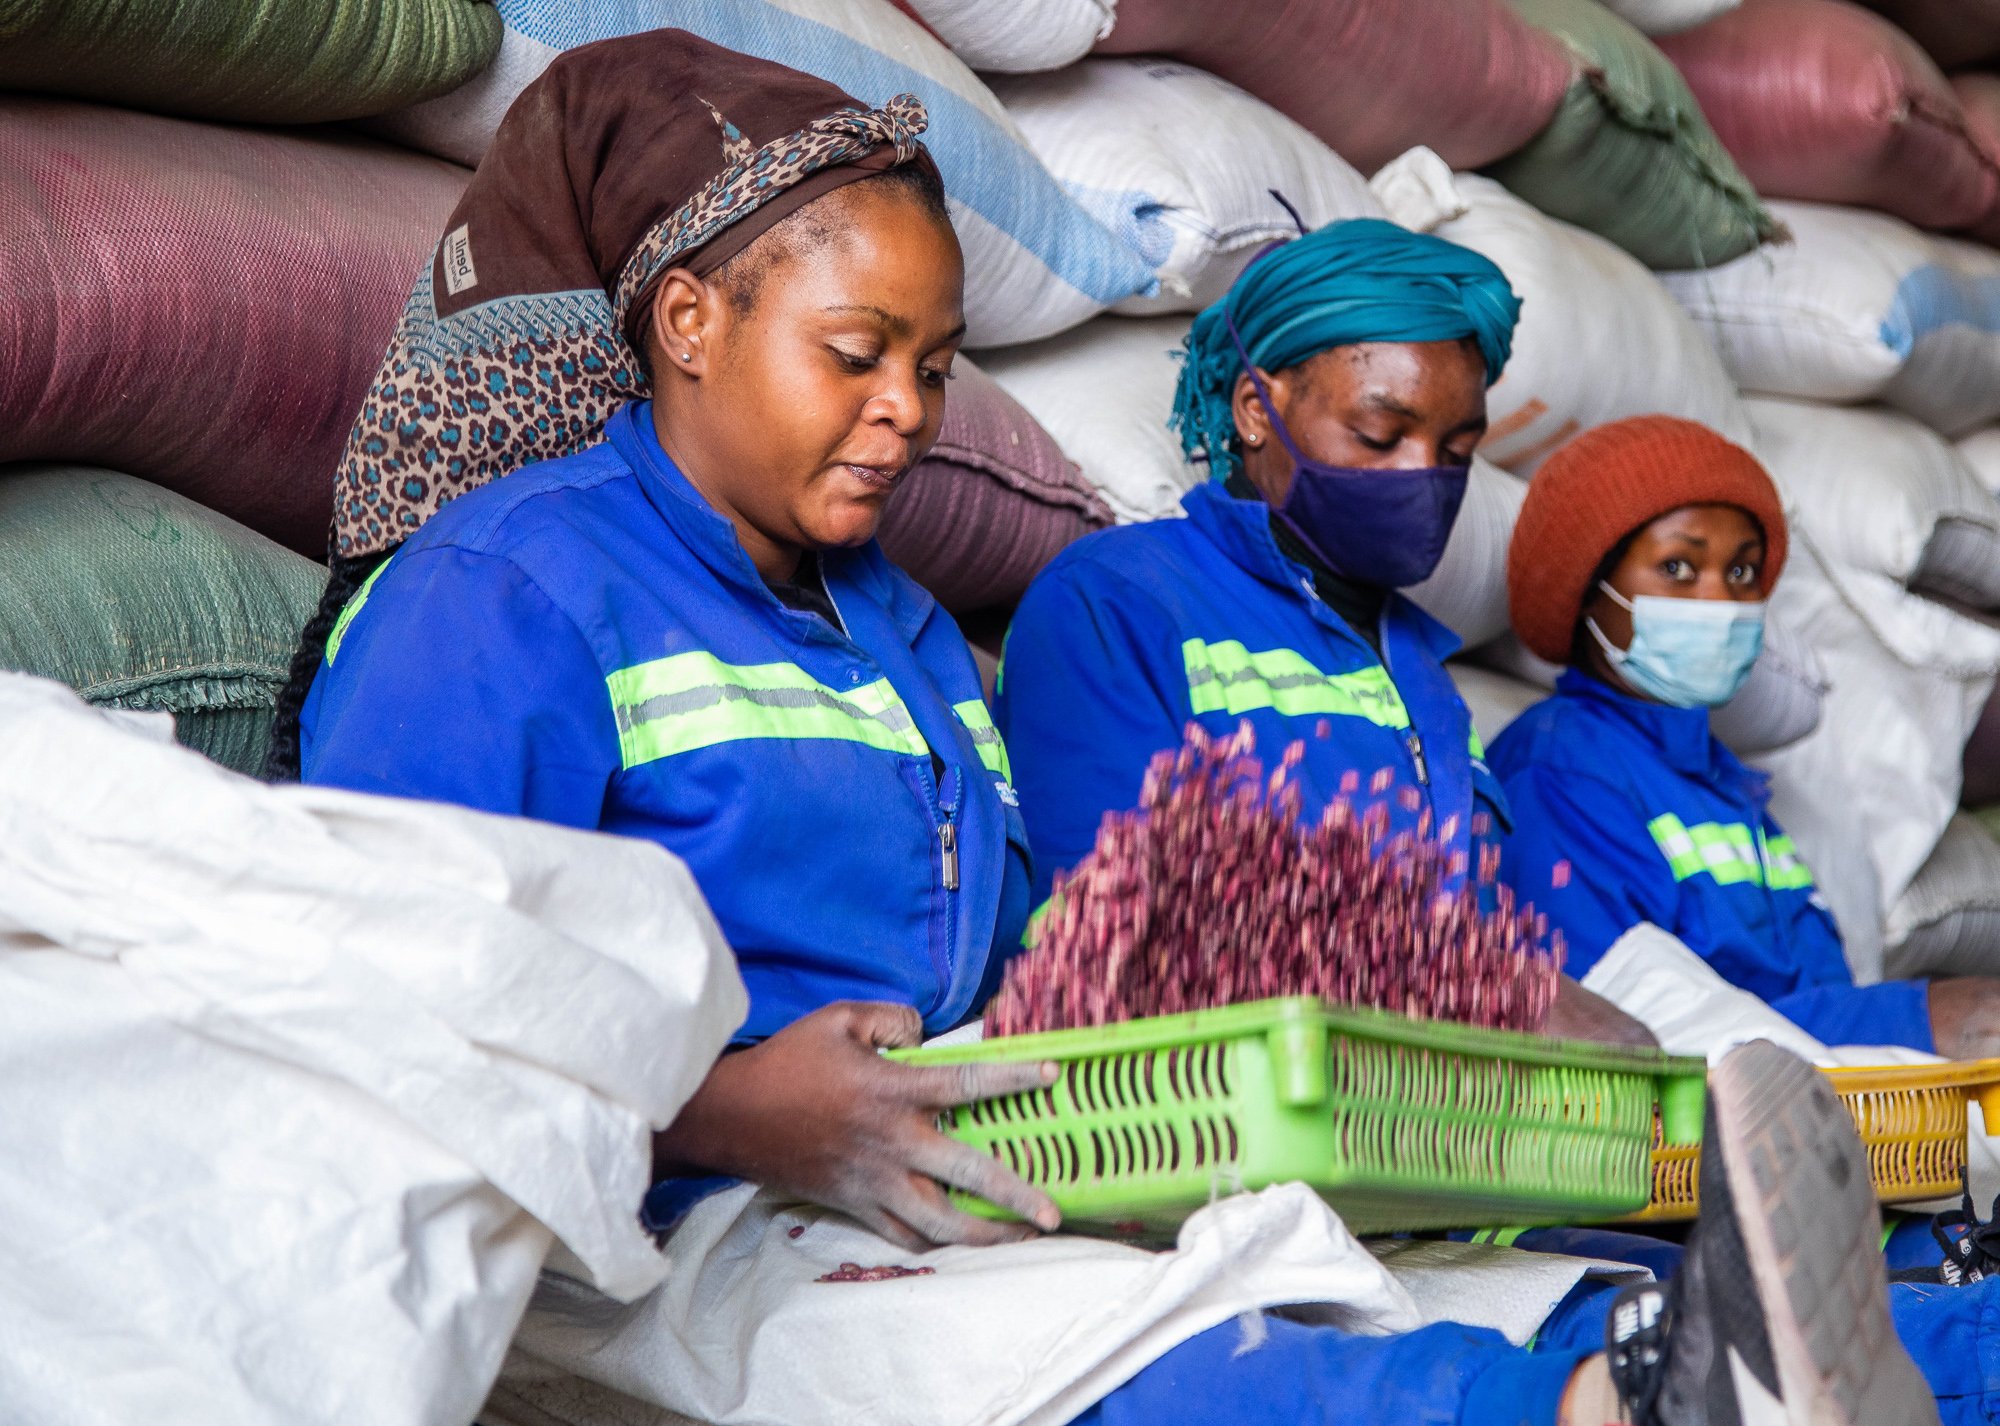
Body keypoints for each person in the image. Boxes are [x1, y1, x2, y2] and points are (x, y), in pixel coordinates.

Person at [286, 42, 1944, 1425]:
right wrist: (725, 1114)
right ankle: (1638, 1398)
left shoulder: (907, 629)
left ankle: (1704, 1357)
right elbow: (396, 1030)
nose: (911, 415)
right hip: (662, 1229)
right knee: (1204, 1373)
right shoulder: (511, 592)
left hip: (954, 1166)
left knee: (1385, 1287)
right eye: (855, 355)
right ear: (688, 325)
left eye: (934, 367)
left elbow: (1034, 944)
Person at [996, 218, 1647, 1047]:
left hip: (1433, 1122)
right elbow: (1100, 935)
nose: (1424, 477)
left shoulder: (1420, 667)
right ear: (1255, 410)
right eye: (1381, 434)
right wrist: (1477, 989)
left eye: (1456, 449)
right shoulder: (1116, 603)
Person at [1491, 416, 2000, 1058]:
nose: (1718, 603)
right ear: (1589, 592)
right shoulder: (1559, 775)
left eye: (1742, 574)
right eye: (1677, 567)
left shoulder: (1727, 785)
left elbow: (1805, 991)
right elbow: (1627, 1027)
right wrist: (1914, 1018)